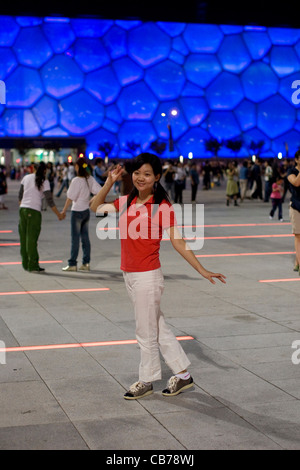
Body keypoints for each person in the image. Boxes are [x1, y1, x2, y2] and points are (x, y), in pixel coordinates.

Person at [90, 153, 226, 400]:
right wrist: (109, 182)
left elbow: (178, 241)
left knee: (145, 331)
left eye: (147, 174)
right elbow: (95, 207)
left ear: (157, 178)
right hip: (130, 275)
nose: (141, 178)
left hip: (147, 277)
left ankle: (146, 379)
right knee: (158, 327)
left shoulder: (162, 207)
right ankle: (183, 376)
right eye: (138, 173)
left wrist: (201, 270)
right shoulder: (128, 200)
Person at [18, 162, 65, 273]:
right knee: (32, 239)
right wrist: (58, 214)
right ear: (45, 171)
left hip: (23, 210)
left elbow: (20, 195)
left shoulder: (26, 178)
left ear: (33, 168)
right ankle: (33, 265)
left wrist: (23, 206)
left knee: (23, 238)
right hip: (34, 212)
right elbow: (49, 200)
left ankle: (25, 263)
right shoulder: (45, 181)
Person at [61, 157, 102, 272]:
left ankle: (72, 264)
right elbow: (100, 191)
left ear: (77, 167)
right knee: (85, 238)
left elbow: (70, 198)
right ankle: (86, 263)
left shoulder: (76, 180)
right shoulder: (90, 179)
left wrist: (64, 210)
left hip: (77, 212)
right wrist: (90, 201)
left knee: (75, 239)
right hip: (86, 212)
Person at [287, 150, 300, 275]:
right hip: (296, 206)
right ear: (296, 159)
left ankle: (297, 262)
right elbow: (296, 182)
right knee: (298, 236)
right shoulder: (291, 172)